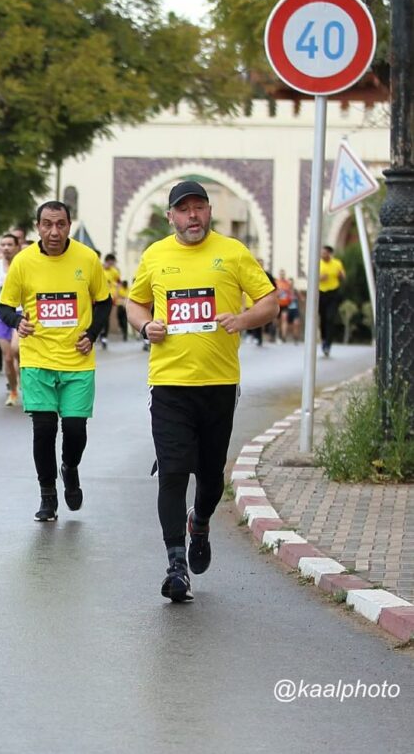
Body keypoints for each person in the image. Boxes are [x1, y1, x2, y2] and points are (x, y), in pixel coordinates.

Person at [125, 180, 277, 603]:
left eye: (199, 208)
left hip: (218, 384)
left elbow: (270, 300)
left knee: (210, 479)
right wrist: (144, 326)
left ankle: (202, 520)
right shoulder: (155, 255)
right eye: (184, 209)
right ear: (170, 216)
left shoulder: (232, 253)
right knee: (172, 473)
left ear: (208, 212)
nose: (193, 216)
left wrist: (242, 320)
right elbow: (134, 303)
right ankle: (176, 567)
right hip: (170, 384)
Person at [0, 201, 110, 521]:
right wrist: (18, 320)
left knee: (75, 430)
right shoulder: (23, 262)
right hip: (37, 359)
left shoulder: (87, 259)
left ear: (69, 226)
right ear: (37, 227)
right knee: (44, 429)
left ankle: (70, 467)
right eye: (47, 224)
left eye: (60, 224)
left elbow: (104, 302)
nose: (54, 231)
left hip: (77, 359)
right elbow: (4, 308)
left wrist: (92, 331)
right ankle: (47, 494)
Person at [0, 233, 21, 406]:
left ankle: (23, 376)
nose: (7, 248)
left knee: (17, 349)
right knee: (8, 357)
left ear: (17, 246)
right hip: (0, 314)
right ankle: (13, 391)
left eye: (10, 244)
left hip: (20, 313)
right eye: (4, 245)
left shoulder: (23, 264)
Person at [317, 245, 346, 357]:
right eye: (321, 253)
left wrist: (341, 275)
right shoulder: (318, 263)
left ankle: (328, 344)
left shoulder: (337, 263)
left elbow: (343, 276)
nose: (322, 255)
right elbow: (312, 277)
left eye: (324, 253)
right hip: (321, 293)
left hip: (333, 293)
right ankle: (324, 339)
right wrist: (320, 278)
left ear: (329, 253)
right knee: (323, 318)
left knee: (330, 318)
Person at [99, 254, 121, 348]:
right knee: (97, 316)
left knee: (106, 316)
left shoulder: (114, 271)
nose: (112, 264)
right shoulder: (99, 269)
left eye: (113, 263)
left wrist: (117, 290)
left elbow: (119, 281)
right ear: (107, 261)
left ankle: (104, 337)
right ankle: (98, 333)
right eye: (111, 262)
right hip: (99, 296)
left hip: (110, 297)